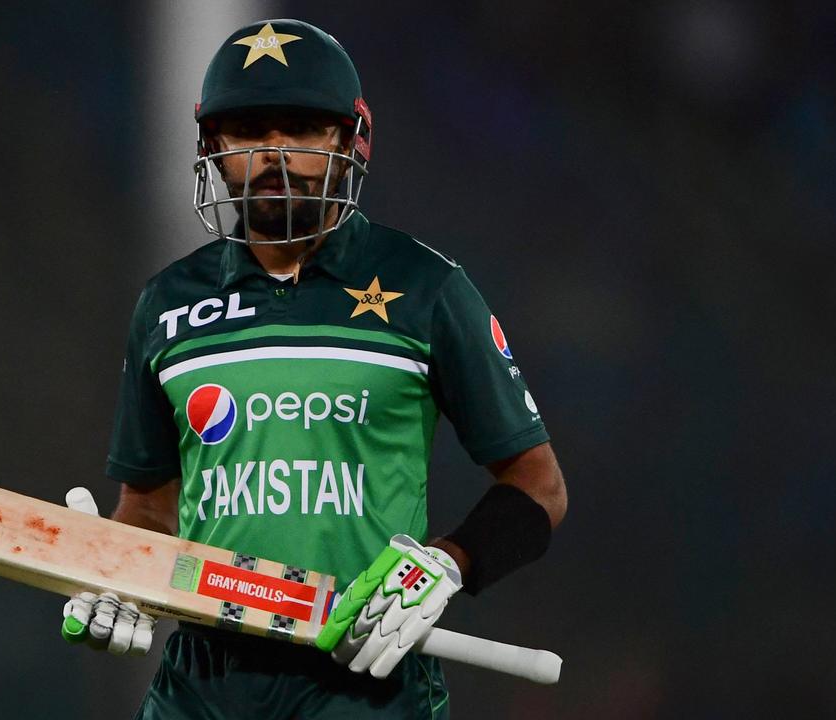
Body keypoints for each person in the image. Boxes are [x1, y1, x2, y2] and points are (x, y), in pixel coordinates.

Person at [59, 18, 567, 719]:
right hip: (202, 691)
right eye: (246, 130)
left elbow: (538, 489)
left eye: (301, 127)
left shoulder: (425, 289)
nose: (273, 152)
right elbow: (147, 509)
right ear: (213, 146)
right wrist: (114, 576)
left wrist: (447, 563)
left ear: (350, 138)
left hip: (366, 684)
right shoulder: (168, 305)